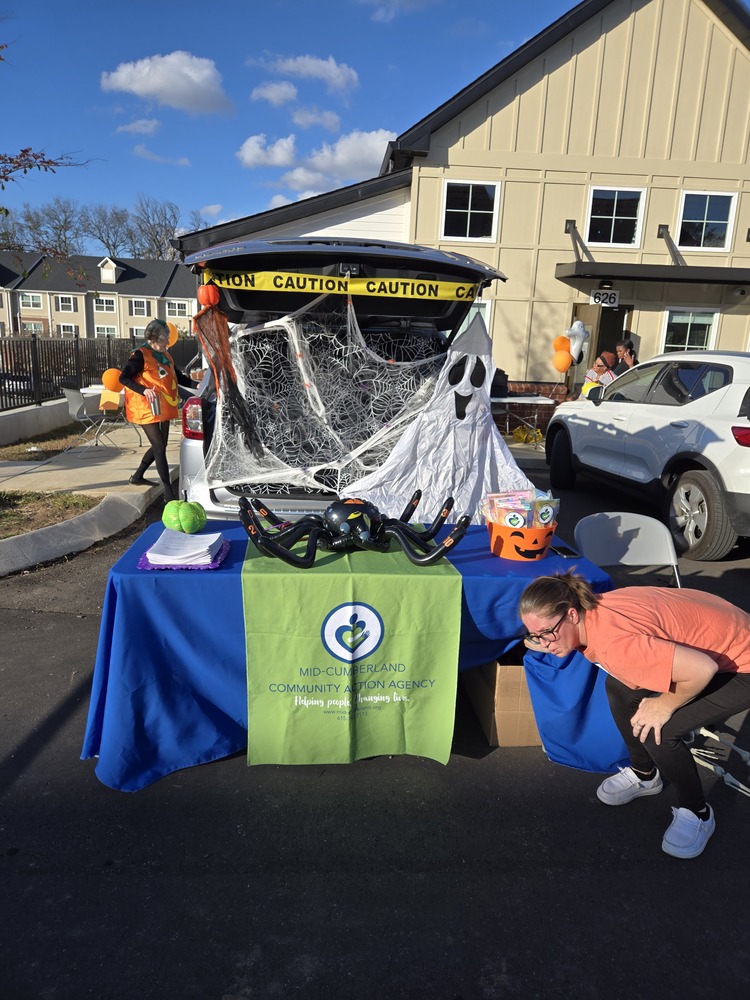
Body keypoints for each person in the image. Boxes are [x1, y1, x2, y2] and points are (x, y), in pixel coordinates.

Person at [518, 571, 750, 859]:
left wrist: (663, 706)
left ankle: (698, 813)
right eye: (535, 635)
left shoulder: (615, 645)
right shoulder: (593, 606)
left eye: (548, 633)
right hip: (724, 632)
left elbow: (703, 669)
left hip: (741, 665)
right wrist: (543, 635)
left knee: (661, 731)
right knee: (619, 688)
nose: (545, 644)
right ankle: (645, 774)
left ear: (572, 615)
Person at [119, 319, 196, 502]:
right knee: (160, 447)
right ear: (154, 338)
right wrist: (144, 390)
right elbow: (124, 378)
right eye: (164, 339)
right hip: (145, 407)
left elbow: (180, 378)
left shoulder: (166, 356)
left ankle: (137, 476)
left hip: (163, 406)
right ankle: (168, 492)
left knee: (159, 446)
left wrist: (200, 385)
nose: (167, 343)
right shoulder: (140, 355)